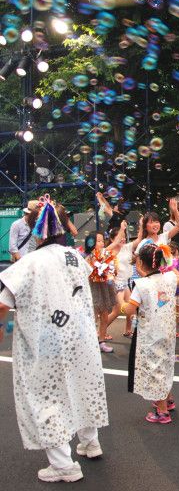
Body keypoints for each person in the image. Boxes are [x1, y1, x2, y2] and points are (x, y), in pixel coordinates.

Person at [0, 196, 108, 483]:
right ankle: (90, 442)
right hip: (81, 337)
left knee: (47, 396)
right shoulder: (74, 258)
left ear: (36, 230)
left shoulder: (30, 262)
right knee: (82, 384)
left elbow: (3, 301)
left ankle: (64, 465)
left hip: (47, 342)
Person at [121, 244, 179, 424]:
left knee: (154, 367)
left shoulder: (141, 285)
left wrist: (121, 303)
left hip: (150, 334)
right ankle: (168, 399)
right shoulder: (170, 277)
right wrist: (167, 265)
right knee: (165, 363)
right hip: (168, 331)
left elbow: (130, 310)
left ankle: (162, 411)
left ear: (140, 263)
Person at [85, 221, 127, 353]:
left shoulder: (105, 253)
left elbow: (115, 242)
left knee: (104, 315)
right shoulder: (88, 257)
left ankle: (101, 341)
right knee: (93, 315)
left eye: (102, 241)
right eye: (98, 241)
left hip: (105, 287)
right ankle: (89, 342)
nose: (101, 243)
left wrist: (122, 229)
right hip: (93, 289)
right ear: (91, 243)